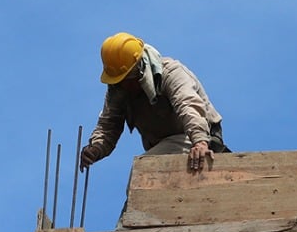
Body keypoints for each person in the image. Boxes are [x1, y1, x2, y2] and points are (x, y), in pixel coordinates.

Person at [79, 32, 228, 174]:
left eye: (126, 80)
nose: (123, 85)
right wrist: (96, 148)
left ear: (138, 70)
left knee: (144, 170)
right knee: (145, 173)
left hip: (195, 137)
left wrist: (200, 142)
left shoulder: (170, 73)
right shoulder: (119, 88)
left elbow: (188, 105)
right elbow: (108, 125)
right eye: (119, 82)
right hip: (166, 145)